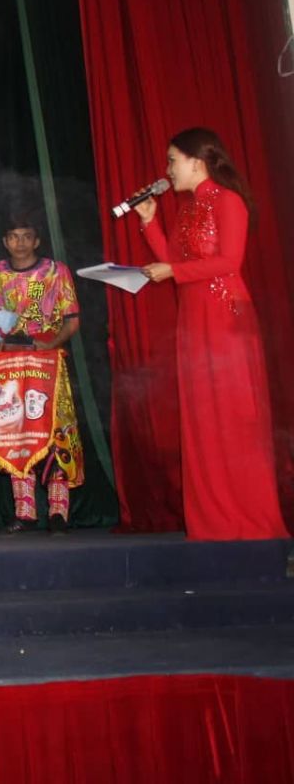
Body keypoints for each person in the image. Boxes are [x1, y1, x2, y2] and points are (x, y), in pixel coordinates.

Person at [136, 128, 290, 541]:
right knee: (203, 415)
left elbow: (228, 262)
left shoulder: (229, 201)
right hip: (194, 318)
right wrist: (150, 224)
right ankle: (213, 520)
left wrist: (174, 271)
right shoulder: (187, 208)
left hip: (226, 319)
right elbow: (171, 260)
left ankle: (248, 517)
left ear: (196, 161)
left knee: (233, 415)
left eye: (172, 160)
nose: (167, 169)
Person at [0, 216, 84, 532]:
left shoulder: (56, 272)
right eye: (13, 237)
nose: (20, 243)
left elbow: (72, 320)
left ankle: (58, 511)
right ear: (5, 241)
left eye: (26, 236)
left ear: (37, 240)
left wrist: (49, 344)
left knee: (56, 431)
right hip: (10, 364)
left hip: (47, 363)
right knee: (15, 432)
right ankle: (24, 512)